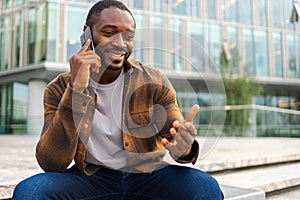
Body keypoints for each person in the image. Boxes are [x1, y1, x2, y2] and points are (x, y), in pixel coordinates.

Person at [13, 0, 224, 199]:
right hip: (90, 179)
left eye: (128, 36)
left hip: (147, 176)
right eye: (108, 33)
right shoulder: (58, 89)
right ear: (87, 34)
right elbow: (51, 163)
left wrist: (183, 146)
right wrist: (76, 89)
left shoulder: (154, 81)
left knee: (205, 187)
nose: (120, 43)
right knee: (30, 192)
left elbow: (175, 134)